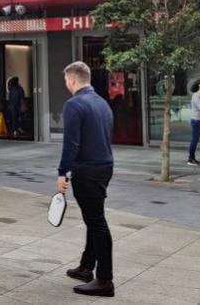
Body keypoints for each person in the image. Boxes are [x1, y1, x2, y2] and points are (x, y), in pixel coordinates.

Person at [57, 62, 115, 297]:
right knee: (94, 218)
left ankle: (104, 280)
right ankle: (86, 267)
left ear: (72, 80)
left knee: (97, 222)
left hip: (87, 169)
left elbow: (71, 143)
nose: (66, 85)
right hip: (104, 166)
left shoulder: (74, 105)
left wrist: (62, 172)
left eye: (66, 82)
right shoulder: (102, 103)